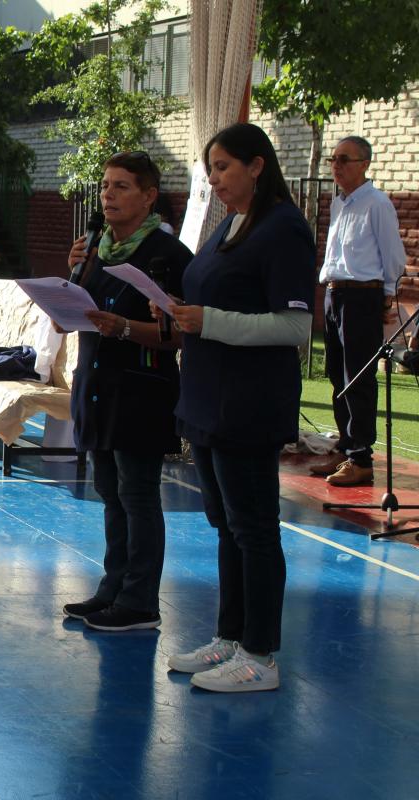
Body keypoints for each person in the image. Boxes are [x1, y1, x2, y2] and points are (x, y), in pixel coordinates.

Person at [162, 123, 315, 692]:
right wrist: (180, 310)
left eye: (224, 167)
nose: (215, 180)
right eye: (211, 170)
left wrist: (209, 321)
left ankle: (260, 655)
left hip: (249, 404)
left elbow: (294, 327)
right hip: (209, 397)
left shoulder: (283, 229)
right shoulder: (231, 224)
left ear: (257, 166)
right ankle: (230, 636)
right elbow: (217, 295)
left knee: (254, 530)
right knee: (226, 525)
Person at [60, 152, 193, 632]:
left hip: (140, 391)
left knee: (137, 495)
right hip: (97, 386)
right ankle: (112, 588)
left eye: (121, 186)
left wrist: (125, 328)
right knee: (110, 493)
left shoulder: (168, 255)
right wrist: (66, 288)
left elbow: (181, 333)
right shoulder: (94, 251)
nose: (108, 195)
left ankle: (140, 601)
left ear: (149, 195)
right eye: (104, 186)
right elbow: (73, 316)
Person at [308, 136, 408, 487]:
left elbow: (393, 256)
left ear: (364, 164)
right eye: (333, 159)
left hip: (362, 296)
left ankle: (361, 458)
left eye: (344, 159)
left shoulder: (377, 204)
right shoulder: (339, 203)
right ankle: (345, 445)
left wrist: (387, 297)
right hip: (334, 294)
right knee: (337, 374)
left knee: (358, 376)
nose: (336, 165)